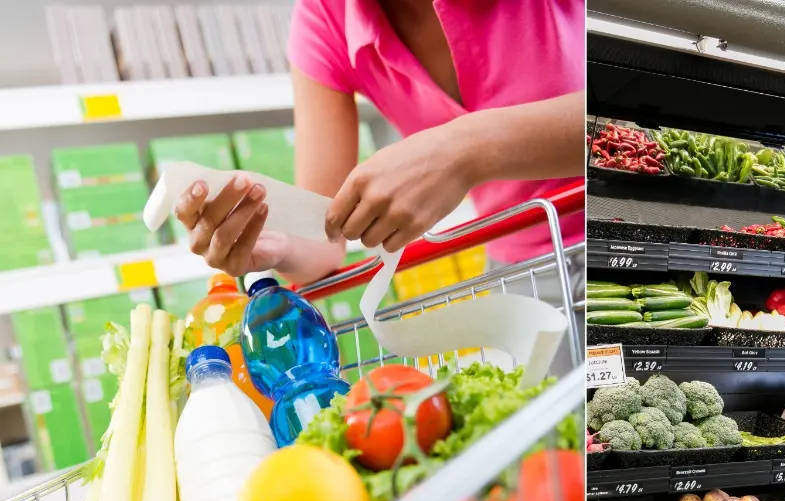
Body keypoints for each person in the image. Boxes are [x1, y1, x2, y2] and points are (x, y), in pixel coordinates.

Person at [172, 0, 584, 288]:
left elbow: (643, 111)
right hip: (526, 270)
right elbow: (323, 235)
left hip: (631, 227)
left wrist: (466, 150)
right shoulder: (325, 16)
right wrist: (272, 242)